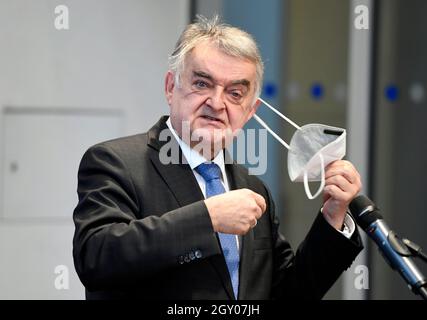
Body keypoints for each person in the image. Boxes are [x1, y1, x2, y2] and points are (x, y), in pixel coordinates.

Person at [72, 15, 363, 300]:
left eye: (235, 93)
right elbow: (97, 258)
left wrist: (333, 216)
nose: (216, 102)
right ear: (171, 88)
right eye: (202, 84)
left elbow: (288, 292)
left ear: (250, 111)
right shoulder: (115, 162)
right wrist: (207, 218)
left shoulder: (253, 189)